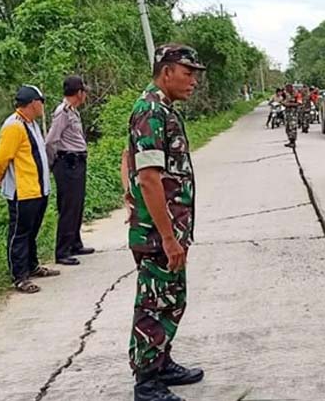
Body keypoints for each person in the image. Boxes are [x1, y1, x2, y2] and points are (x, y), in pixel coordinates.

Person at [125, 44, 206, 401]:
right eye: (188, 73)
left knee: (171, 299)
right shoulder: (151, 110)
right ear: (167, 70)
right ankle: (146, 381)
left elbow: (128, 158)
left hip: (167, 229)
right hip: (158, 233)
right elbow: (148, 178)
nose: (193, 81)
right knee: (154, 302)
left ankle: (161, 362)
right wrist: (168, 237)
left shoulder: (162, 108)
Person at [0, 85, 60, 294]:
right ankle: (19, 276)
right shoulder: (14, 126)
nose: (43, 106)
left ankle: (32, 265)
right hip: (23, 191)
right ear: (33, 103)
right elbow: (0, 158)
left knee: (32, 232)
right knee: (20, 234)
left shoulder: (31, 124)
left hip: (38, 189)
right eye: (41, 101)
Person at [45, 75, 95, 266]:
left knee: (77, 204)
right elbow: (50, 141)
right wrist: (52, 164)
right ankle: (62, 250)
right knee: (68, 206)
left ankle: (75, 242)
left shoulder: (73, 111)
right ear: (79, 93)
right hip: (67, 163)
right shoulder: (62, 113)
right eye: (84, 92)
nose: (85, 96)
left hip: (77, 162)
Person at [281, 83, 299, 148]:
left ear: (291, 88)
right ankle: (290, 141)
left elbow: (299, 103)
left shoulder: (296, 94)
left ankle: (293, 142)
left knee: (293, 128)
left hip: (293, 113)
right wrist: (283, 103)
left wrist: (290, 104)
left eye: (287, 88)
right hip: (287, 113)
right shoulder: (286, 94)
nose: (286, 90)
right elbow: (283, 101)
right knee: (287, 128)